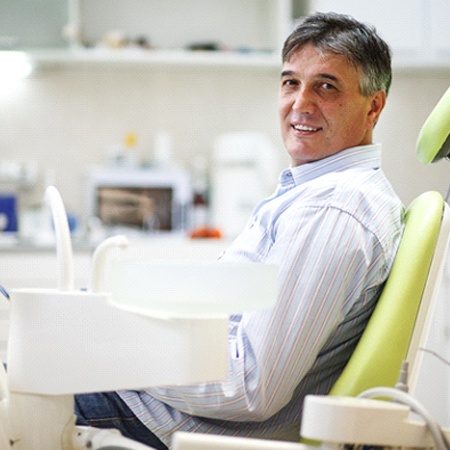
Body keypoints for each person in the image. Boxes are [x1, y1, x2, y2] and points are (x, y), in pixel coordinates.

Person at [75, 11, 404, 449]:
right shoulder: (315, 192)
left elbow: (251, 387)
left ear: (373, 106)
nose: (301, 103)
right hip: (162, 404)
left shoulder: (334, 210)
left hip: (160, 422)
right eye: (290, 82)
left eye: (326, 86)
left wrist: (118, 350)